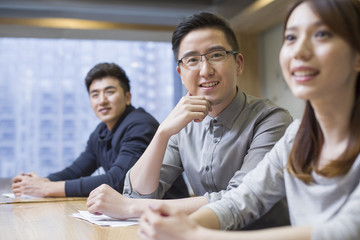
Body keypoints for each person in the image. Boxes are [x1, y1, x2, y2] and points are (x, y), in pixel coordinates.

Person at [137, 0, 360, 239]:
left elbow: (343, 232)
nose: (299, 51)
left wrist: (193, 234)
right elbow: (242, 200)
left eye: (321, 34)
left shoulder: (272, 119)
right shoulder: (298, 135)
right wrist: (181, 227)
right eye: (291, 38)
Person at [86, 12, 292, 229]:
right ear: (181, 74)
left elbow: (239, 198)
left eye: (216, 55)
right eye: (192, 60)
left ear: (238, 64)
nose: (205, 70)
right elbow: (138, 193)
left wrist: (130, 208)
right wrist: (163, 132)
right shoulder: (182, 125)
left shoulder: (272, 119)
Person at [11, 62, 189, 198]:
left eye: (109, 92)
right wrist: (41, 181)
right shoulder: (101, 131)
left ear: (128, 97)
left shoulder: (141, 125)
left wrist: (45, 188)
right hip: (133, 215)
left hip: (165, 215)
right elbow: (76, 171)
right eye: (95, 94)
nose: (102, 100)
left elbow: (117, 181)